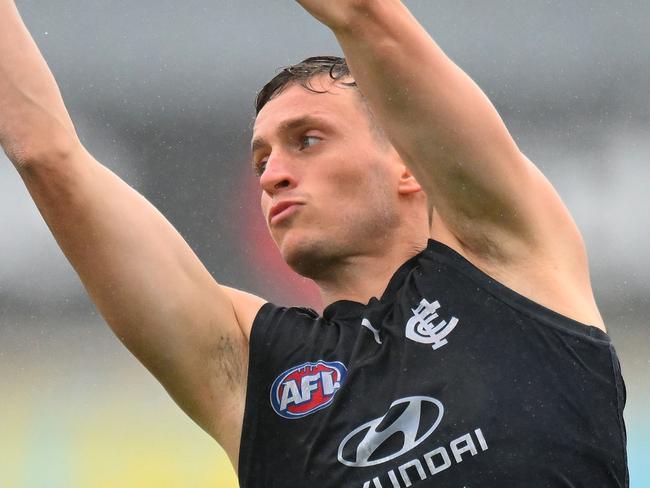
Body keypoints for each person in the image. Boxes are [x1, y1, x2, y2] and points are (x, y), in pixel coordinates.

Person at [1, 0, 628, 487]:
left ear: (409, 163)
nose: (272, 174)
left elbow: (366, 16)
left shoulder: (510, 259)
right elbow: (46, 155)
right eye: (260, 159)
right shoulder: (250, 368)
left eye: (307, 140)